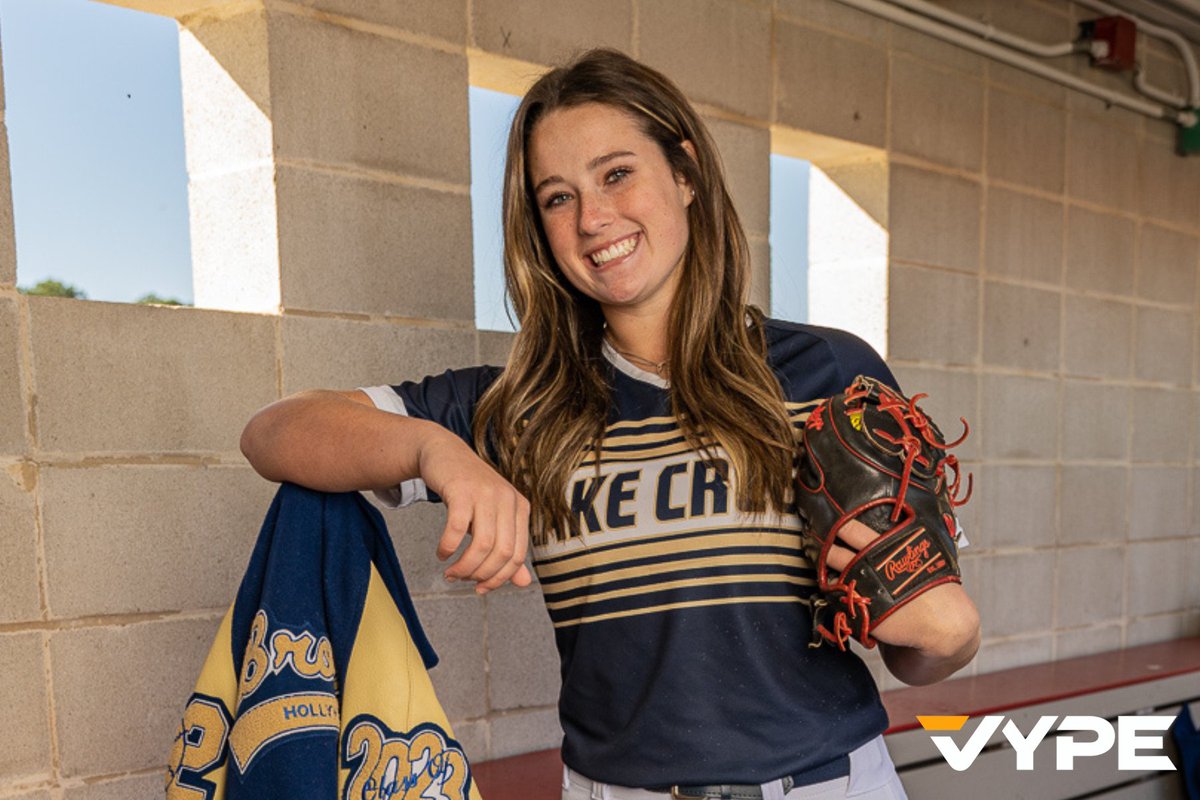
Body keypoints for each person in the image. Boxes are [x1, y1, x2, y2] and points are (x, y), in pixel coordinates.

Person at [241, 48, 980, 800]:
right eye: (557, 197)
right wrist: (439, 450)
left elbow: (920, 642)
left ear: (685, 173)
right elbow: (275, 432)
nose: (593, 218)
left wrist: (949, 642)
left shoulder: (829, 373)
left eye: (616, 174)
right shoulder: (520, 408)